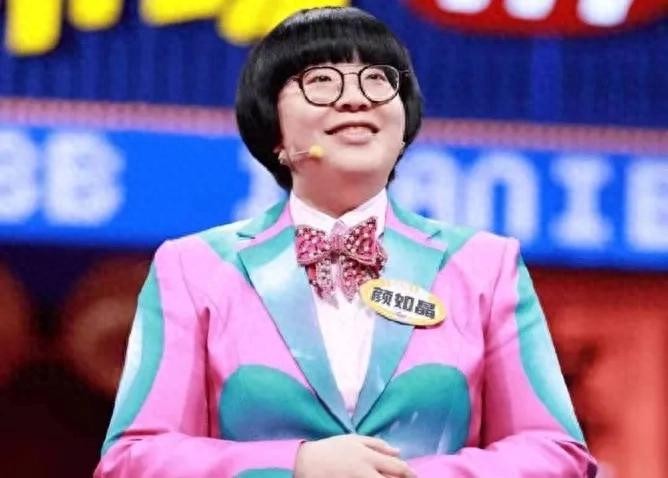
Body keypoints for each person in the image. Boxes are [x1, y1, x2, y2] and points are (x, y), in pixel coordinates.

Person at [95, 6, 597, 478]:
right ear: (273, 130)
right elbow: (133, 459)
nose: (355, 97)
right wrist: (295, 465)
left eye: (377, 79)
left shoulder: (484, 265)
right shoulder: (194, 268)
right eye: (321, 80)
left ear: (403, 125)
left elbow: (555, 452)